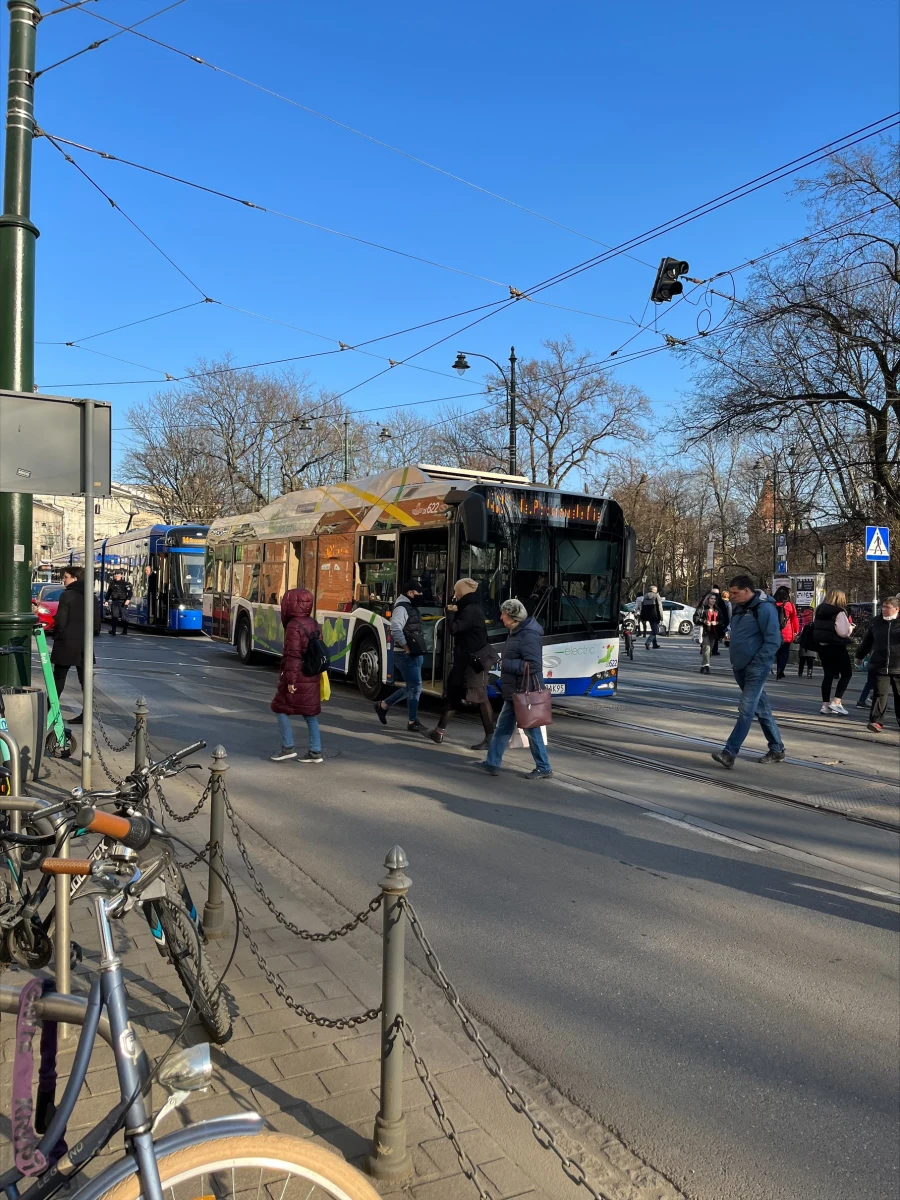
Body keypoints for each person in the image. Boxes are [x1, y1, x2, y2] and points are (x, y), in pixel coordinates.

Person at [711, 575, 785, 768]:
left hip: (756, 667)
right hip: (740, 666)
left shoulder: (764, 608)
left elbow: (774, 640)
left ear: (747, 591)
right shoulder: (740, 608)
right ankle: (777, 749)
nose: (731, 596)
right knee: (761, 709)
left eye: (735, 593)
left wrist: (758, 662)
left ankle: (730, 752)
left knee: (746, 709)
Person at [477, 598, 551, 779]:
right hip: (516, 691)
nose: (501, 617)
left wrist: (506, 663)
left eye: (504, 614)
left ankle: (544, 767)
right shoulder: (516, 631)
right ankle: (492, 763)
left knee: (531, 729)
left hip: (526, 690)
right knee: (503, 727)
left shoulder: (528, 635)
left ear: (513, 617)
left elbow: (533, 665)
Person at [425, 578, 497, 750]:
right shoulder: (469, 607)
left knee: (480, 698)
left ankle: (490, 738)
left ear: (462, 592)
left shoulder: (471, 610)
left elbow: (454, 629)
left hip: (472, 664)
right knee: (454, 694)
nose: (454, 594)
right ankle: (439, 731)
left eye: (457, 591)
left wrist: (449, 612)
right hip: (464, 661)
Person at [270, 587, 324, 763]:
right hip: (312, 674)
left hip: (298, 675)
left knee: (279, 708)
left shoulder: (294, 626)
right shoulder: (314, 623)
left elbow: (293, 655)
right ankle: (315, 751)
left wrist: (290, 680)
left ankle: (288, 748)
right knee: (310, 713)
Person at [374, 580, 425, 732]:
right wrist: (406, 647)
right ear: (410, 593)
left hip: (413, 653)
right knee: (415, 687)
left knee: (412, 687)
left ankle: (383, 706)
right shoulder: (401, 608)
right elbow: (395, 628)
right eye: (419, 593)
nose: (421, 596)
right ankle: (412, 721)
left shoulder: (410, 607)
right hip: (405, 654)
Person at [51, 566, 91, 725]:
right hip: (84, 644)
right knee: (85, 681)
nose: (64, 579)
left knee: (58, 678)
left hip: (66, 643)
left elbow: (60, 620)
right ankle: (86, 714)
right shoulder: (91, 596)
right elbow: (96, 624)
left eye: (66, 576)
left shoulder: (66, 596)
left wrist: (57, 635)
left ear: (75, 578)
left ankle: (49, 710)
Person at [854, 594, 900, 732]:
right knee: (880, 694)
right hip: (879, 664)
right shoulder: (876, 622)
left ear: (897, 609)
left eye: (888, 607)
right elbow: (868, 641)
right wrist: (859, 655)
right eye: (883, 607)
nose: (884, 609)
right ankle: (876, 722)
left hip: (898, 665)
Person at [813, 588, 854, 715]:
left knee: (828, 674)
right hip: (837, 646)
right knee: (847, 673)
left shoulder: (819, 609)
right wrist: (850, 629)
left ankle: (825, 705)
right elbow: (842, 632)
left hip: (823, 646)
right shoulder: (839, 612)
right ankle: (836, 702)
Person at [694, 588, 729, 673]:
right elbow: (695, 618)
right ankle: (707, 666)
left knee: (710, 650)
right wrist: (704, 621)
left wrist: (716, 622)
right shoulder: (702, 608)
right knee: (706, 648)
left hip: (713, 632)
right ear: (708, 599)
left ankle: (703, 665)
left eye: (714, 599)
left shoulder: (717, 610)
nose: (713, 600)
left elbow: (722, 620)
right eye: (711, 599)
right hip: (704, 631)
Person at [772, 585, 800, 679]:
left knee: (777, 651)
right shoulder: (790, 605)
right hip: (787, 632)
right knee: (784, 652)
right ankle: (781, 670)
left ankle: (777, 668)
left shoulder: (773, 604)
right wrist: (796, 631)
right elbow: (794, 619)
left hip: (775, 631)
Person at [106, 570, 132, 636]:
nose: (117, 576)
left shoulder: (125, 584)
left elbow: (130, 593)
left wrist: (128, 599)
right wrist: (106, 600)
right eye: (115, 575)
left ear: (121, 576)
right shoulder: (112, 584)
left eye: (118, 575)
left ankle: (125, 630)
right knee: (114, 617)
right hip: (115, 602)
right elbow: (108, 593)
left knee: (124, 617)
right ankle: (113, 631)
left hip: (123, 602)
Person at [797, 608, 816, 678]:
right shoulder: (815, 626)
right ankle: (809, 673)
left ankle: (800, 672)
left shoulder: (804, 625)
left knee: (802, 660)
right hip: (812, 646)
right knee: (810, 661)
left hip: (804, 645)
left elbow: (801, 635)